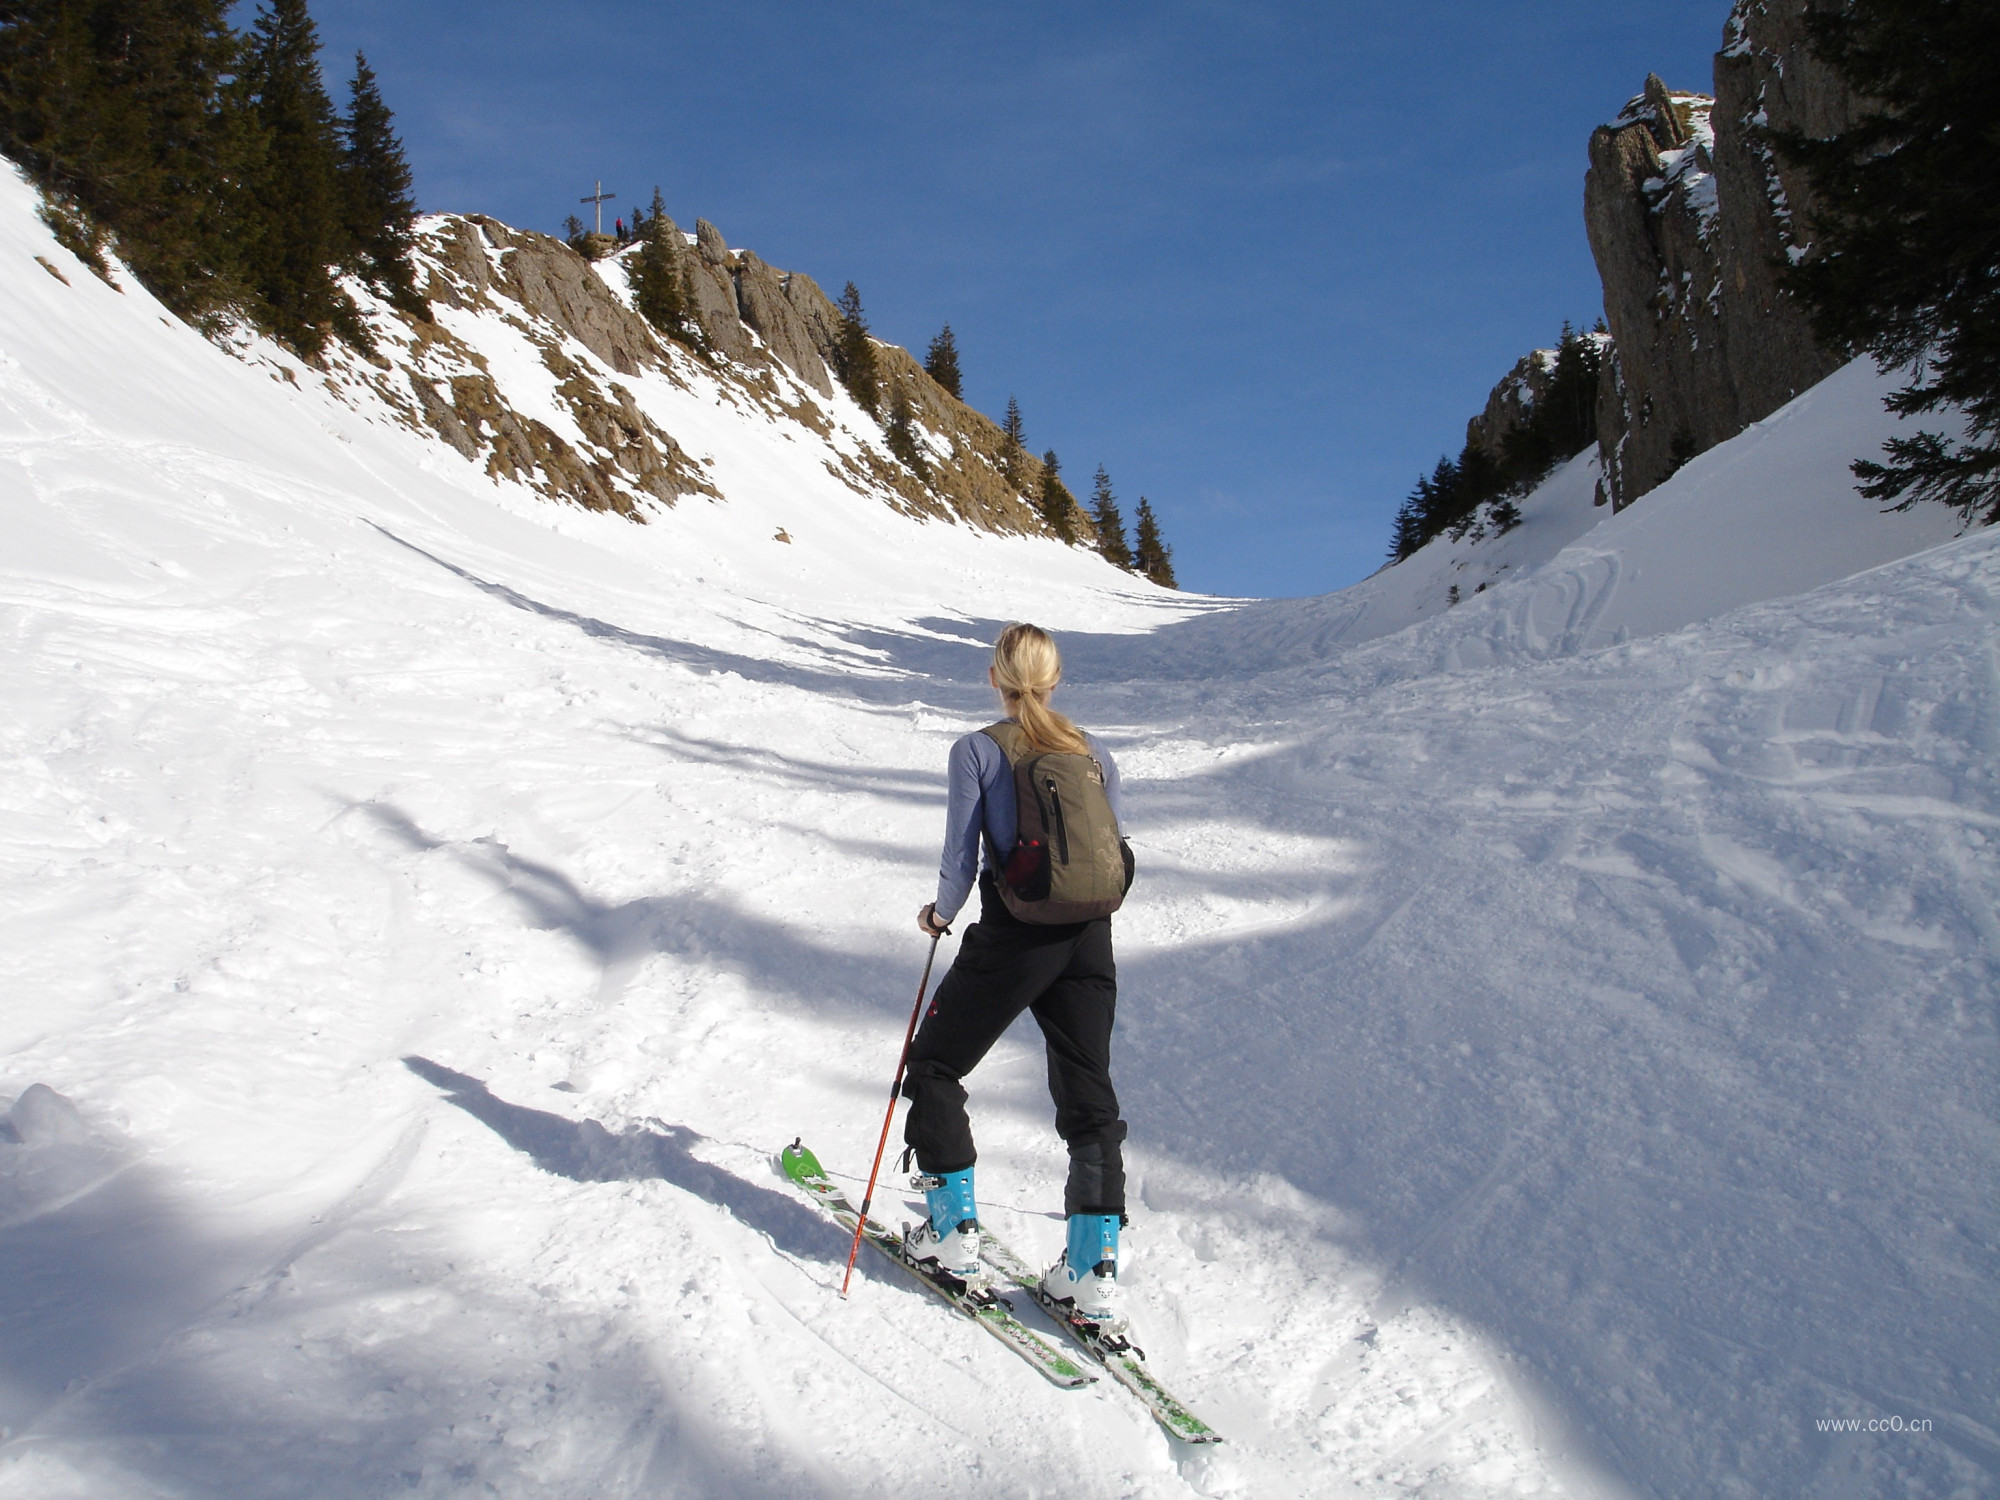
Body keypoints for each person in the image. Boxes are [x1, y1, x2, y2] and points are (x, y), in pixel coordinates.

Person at [903, 623, 1130, 1326]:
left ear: (994, 680)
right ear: (1056, 679)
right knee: (1089, 1097)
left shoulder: (977, 750)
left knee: (936, 1065)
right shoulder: (1093, 751)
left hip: (1015, 934)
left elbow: (961, 859)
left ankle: (950, 1235)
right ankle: (1091, 1270)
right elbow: (1109, 848)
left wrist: (940, 916)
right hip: (1090, 936)